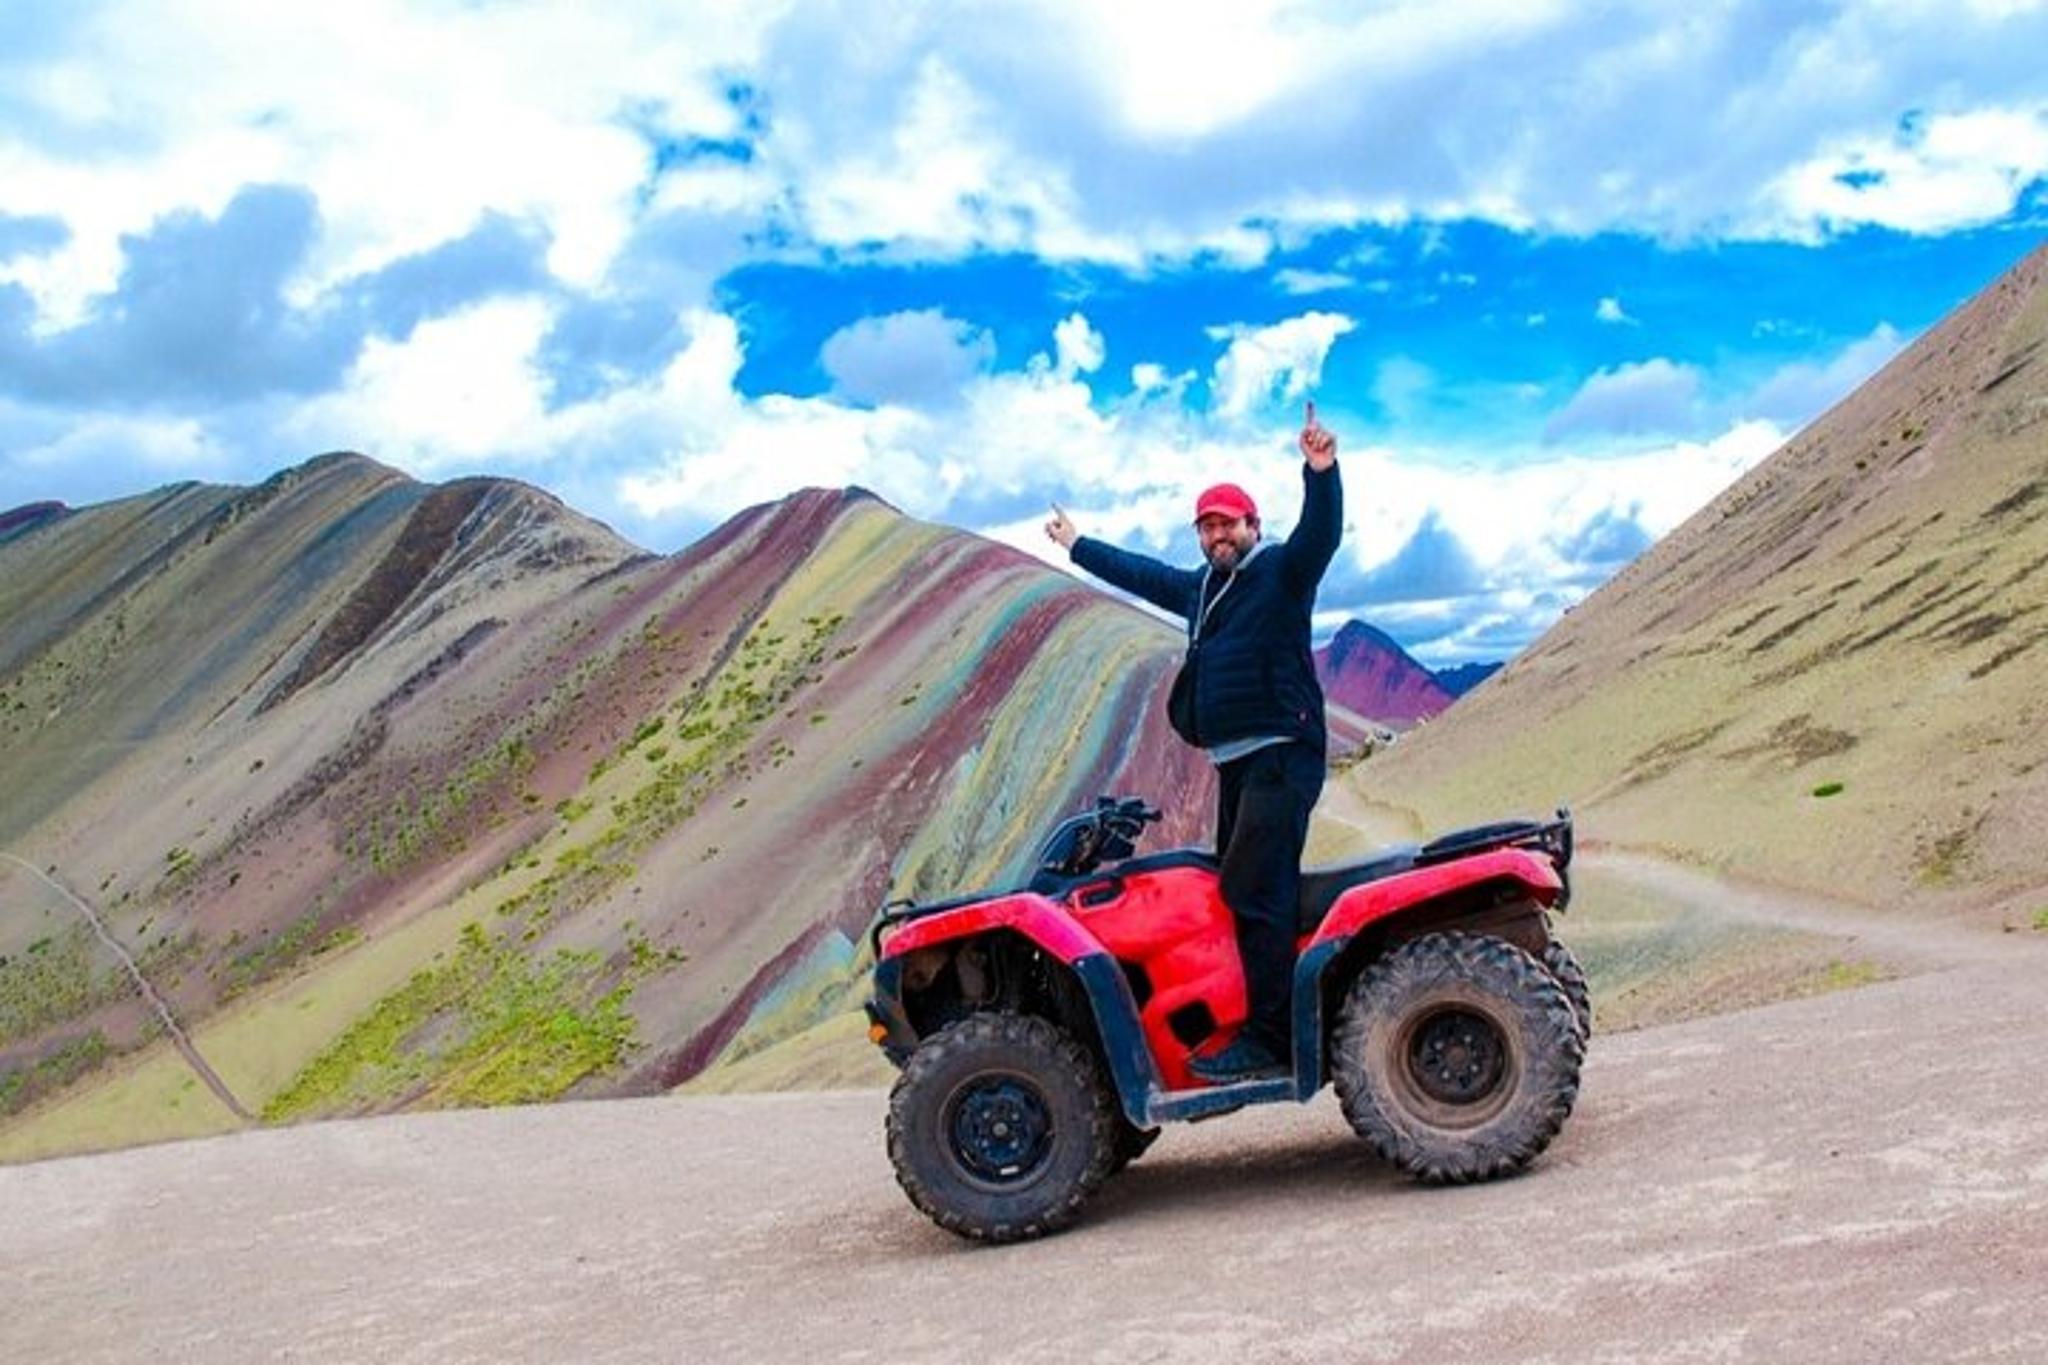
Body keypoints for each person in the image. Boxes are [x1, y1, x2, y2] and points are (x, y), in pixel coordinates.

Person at [1045, 402, 1341, 1082]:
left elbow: (1320, 536)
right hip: (1237, 764)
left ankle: (1273, 1038)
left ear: (1252, 526)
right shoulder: (1203, 588)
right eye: (1206, 527)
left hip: (1281, 755)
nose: (1216, 536)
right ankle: (1259, 1008)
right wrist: (1077, 544)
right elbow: (1143, 574)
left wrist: (1320, 473)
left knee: (1256, 888)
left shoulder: (1280, 574)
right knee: (1235, 888)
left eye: (1226, 524)